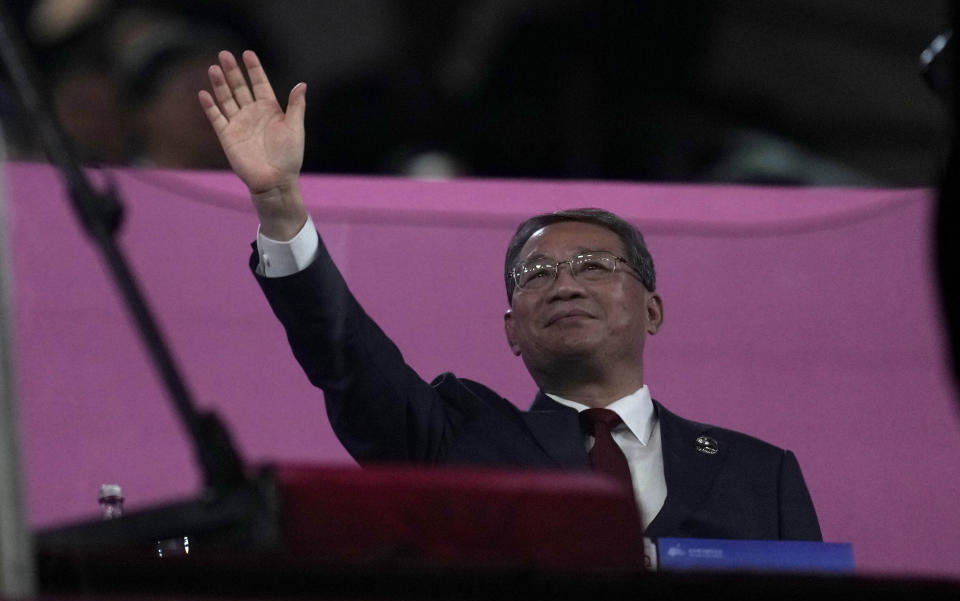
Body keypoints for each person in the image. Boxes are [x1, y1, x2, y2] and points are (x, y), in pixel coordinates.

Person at [199, 50, 822, 540]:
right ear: (511, 331)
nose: (566, 283)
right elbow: (347, 360)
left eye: (594, 265)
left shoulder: (760, 475)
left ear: (652, 308)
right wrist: (279, 204)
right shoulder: (453, 437)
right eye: (536, 275)